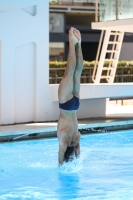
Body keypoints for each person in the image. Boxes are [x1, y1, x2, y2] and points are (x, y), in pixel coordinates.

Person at [57, 27, 83, 164]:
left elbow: (78, 153)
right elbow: (60, 156)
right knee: (70, 71)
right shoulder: (64, 139)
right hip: (66, 106)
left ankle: (79, 44)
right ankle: (72, 43)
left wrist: (76, 159)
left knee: (77, 72)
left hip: (75, 105)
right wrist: (61, 165)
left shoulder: (75, 139)